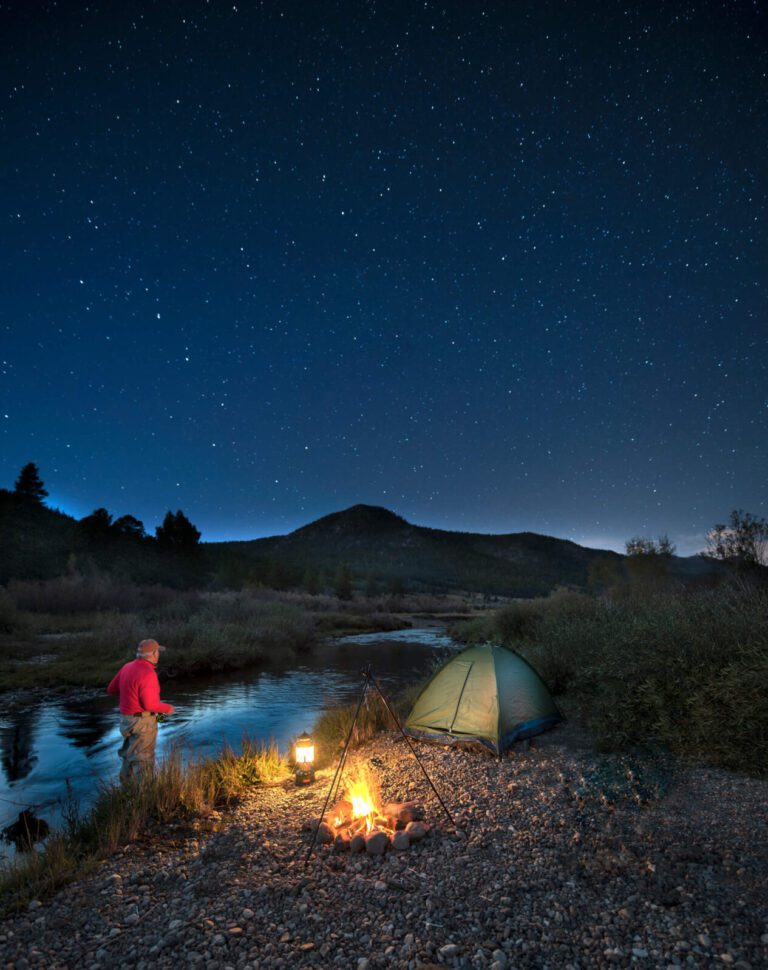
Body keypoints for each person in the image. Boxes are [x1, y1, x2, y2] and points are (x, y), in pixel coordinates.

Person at [107, 638, 175, 783]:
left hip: (126, 720)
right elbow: (151, 704)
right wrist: (168, 708)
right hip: (143, 721)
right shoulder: (148, 673)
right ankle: (144, 796)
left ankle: (126, 790)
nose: (159, 654)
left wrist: (130, 695)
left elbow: (111, 689)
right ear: (154, 654)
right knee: (144, 758)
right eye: (158, 652)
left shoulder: (127, 667)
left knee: (129, 754)